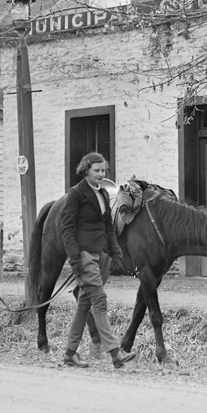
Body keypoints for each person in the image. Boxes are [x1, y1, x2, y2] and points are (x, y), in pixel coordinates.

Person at [59, 152, 136, 369]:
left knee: (84, 304)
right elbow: (66, 229)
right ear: (85, 170)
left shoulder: (103, 193)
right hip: (84, 255)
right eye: (97, 170)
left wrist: (115, 251)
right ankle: (115, 352)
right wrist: (75, 258)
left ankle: (69, 354)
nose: (101, 174)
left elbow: (107, 225)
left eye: (103, 170)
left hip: (102, 254)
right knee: (99, 300)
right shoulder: (75, 195)